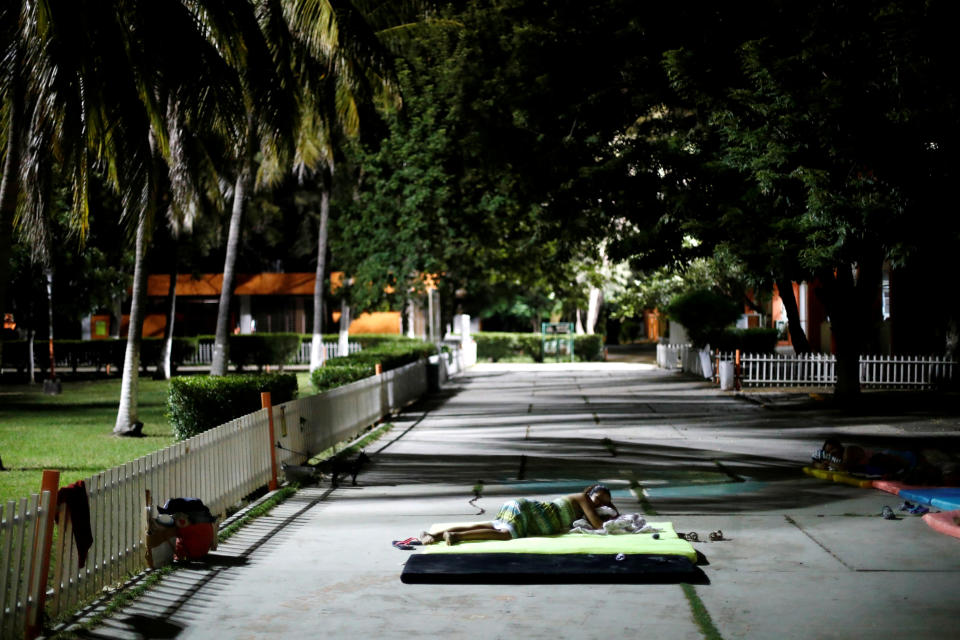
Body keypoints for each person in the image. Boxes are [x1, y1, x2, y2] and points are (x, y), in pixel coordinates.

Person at [422, 484, 619, 545]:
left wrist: (608, 509)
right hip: (531, 511)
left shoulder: (585, 505)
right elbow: (599, 527)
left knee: (491, 526)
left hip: (524, 509)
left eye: (604, 502)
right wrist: (612, 512)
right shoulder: (582, 499)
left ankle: (433, 535)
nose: (600, 504)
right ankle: (455, 537)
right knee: (505, 534)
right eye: (598, 499)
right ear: (590, 494)